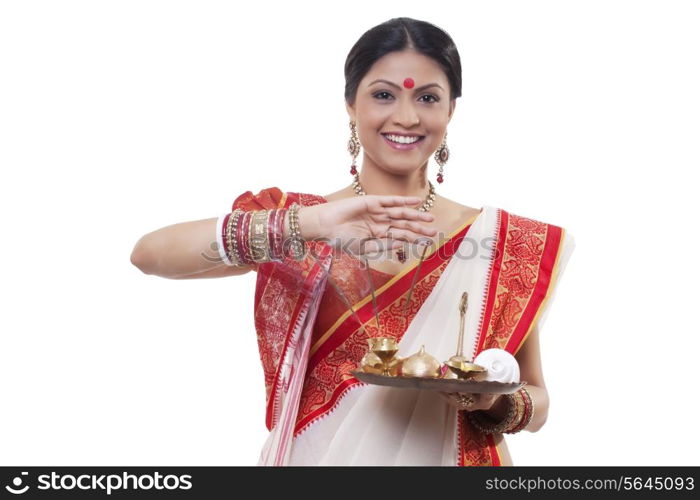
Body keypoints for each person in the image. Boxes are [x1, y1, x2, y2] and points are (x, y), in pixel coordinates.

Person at [130, 17, 575, 466]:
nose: (406, 116)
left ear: (451, 110)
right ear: (350, 104)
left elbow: (538, 400)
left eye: (427, 98)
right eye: (384, 95)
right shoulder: (300, 222)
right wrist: (311, 223)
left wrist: (493, 402)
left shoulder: (501, 240)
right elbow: (149, 255)